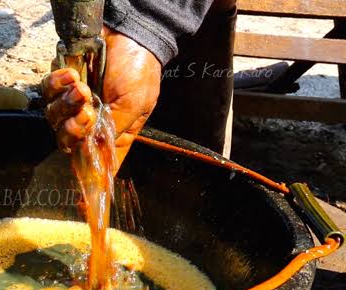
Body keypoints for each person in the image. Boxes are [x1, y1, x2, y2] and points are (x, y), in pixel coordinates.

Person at [43, 0, 237, 168]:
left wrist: (147, 20)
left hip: (192, 19)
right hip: (119, 31)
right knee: (88, 149)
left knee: (195, 177)